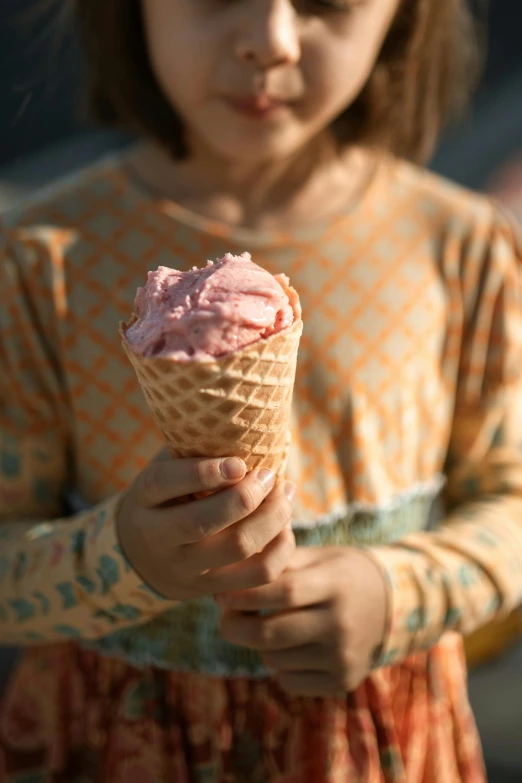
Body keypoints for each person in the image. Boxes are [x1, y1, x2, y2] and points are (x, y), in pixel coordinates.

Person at [0, 1, 521, 780]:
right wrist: (121, 557)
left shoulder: (463, 246)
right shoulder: (42, 260)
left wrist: (397, 590)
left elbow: (512, 503)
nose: (269, 41)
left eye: (326, 3)